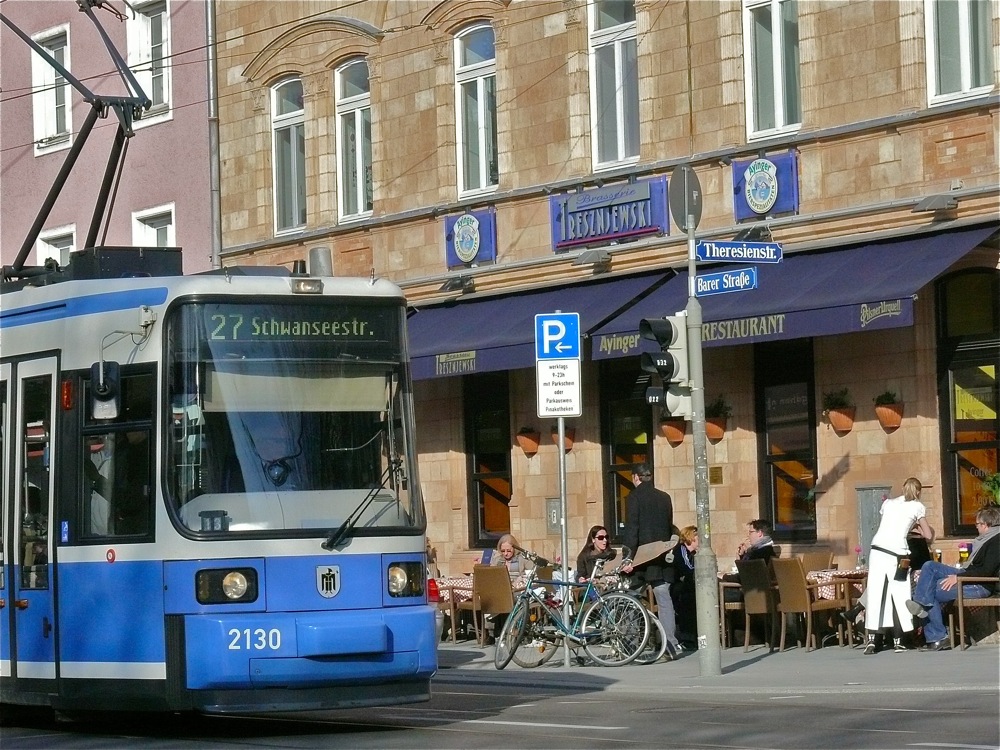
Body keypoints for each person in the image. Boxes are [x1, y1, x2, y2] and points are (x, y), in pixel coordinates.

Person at [906, 504, 1000, 651]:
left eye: (977, 524)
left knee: (928, 592)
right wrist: (960, 574)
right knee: (929, 566)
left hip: (980, 585)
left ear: (986, 525)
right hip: (968, 576)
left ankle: (938, 636)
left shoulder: (996, 541)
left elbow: (986, 571)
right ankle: (930, 620)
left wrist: (958, 576)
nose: (976, 527)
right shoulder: (985, 539)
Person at [862, 477, 934, 655]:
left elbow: (889, 525)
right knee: (899, 594)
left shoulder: (888, 503)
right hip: (897, 553)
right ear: (918, 492)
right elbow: (929, 536)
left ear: (903, 488)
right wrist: (915, 528)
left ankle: (872, 639)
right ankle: (899, 640)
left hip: (877, 549)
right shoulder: (917, 506)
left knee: (877, 592)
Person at [622, 462, 682, 657]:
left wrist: (627, 558)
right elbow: (668, 525)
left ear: (635, 478)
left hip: (641, 558)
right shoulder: (665, 498)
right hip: (661, 557)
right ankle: (670, 645)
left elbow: (633, 529)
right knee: (664, 599)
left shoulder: (634, 497)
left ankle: (631, 645)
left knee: (631, 598)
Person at [720, 519, 778, 601]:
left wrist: (723, 576)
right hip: (758, 594)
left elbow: (744, 576)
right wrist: (743, 556)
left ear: (760, 533)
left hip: (752, 595)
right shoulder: (767, 550)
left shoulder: (760, 553)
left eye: (751, 532)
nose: (748, 536)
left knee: (715, 592)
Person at [670, 525, 699, 649]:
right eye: (699, 538)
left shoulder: (692, 553)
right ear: (691, 538)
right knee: (689, 599)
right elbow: (688, 569)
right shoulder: (682, 550)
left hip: (685, 586)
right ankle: (689, 639)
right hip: (677, 588)